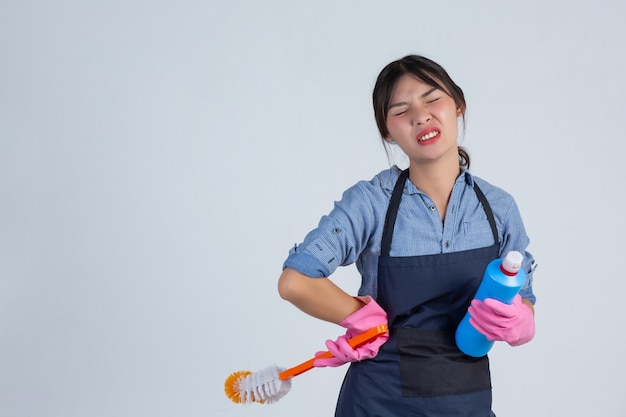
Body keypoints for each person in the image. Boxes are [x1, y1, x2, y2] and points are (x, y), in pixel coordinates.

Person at [277, 55, 536, 417]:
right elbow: (295, 281)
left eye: (432, 99)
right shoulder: (371, 203)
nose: (421, 116)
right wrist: (358, 316)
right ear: (387, 131)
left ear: (458, 104)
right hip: (378, 403)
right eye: (401, 110)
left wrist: (520, 323)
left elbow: (523, 298)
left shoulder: (498, 209)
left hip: (467, 404)